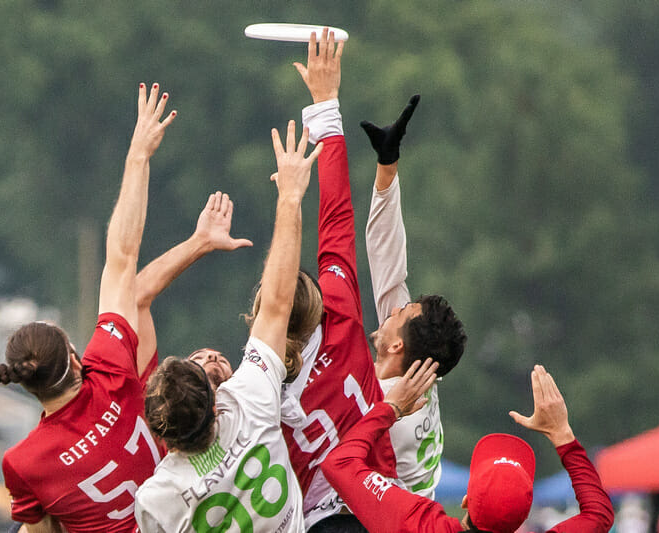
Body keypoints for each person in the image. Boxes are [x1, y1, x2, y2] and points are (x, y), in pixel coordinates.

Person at [0, 83, 177, 533]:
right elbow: (122, 256)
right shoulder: (112, 367)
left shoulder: (23, 463)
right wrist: (138, 155)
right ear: (76, 358)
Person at [133, 121, 322, 532]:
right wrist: (290, 197)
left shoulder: (156, 500)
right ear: (215, 404)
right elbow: (276, 303)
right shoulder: (251, 399)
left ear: (161, 436)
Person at [244, 28, 398, 531]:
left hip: (321, 521)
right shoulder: (341, 306)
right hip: (385, 505)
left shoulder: (262, 383)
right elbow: (336, 217)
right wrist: (326, 105)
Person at [321, 363, 615, 533]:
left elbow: (339, 463)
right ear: (524, 518)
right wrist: (563, 435)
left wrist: (390, 408)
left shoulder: (423, 525)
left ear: (465, 500)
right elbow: (599, 515)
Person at [361, 94, 467, 499]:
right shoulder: (416, 371)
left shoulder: (386, 406)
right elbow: (387, 255)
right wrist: (387, 165)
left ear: (397, 343)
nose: (393, 308)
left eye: (400, 312)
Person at [134, 189, 252, 390]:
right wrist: (200, 242)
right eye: (198, 358)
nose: (213, 357)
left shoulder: (253, 413)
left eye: (223, 361)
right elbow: (135, 297)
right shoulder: (153, 408)